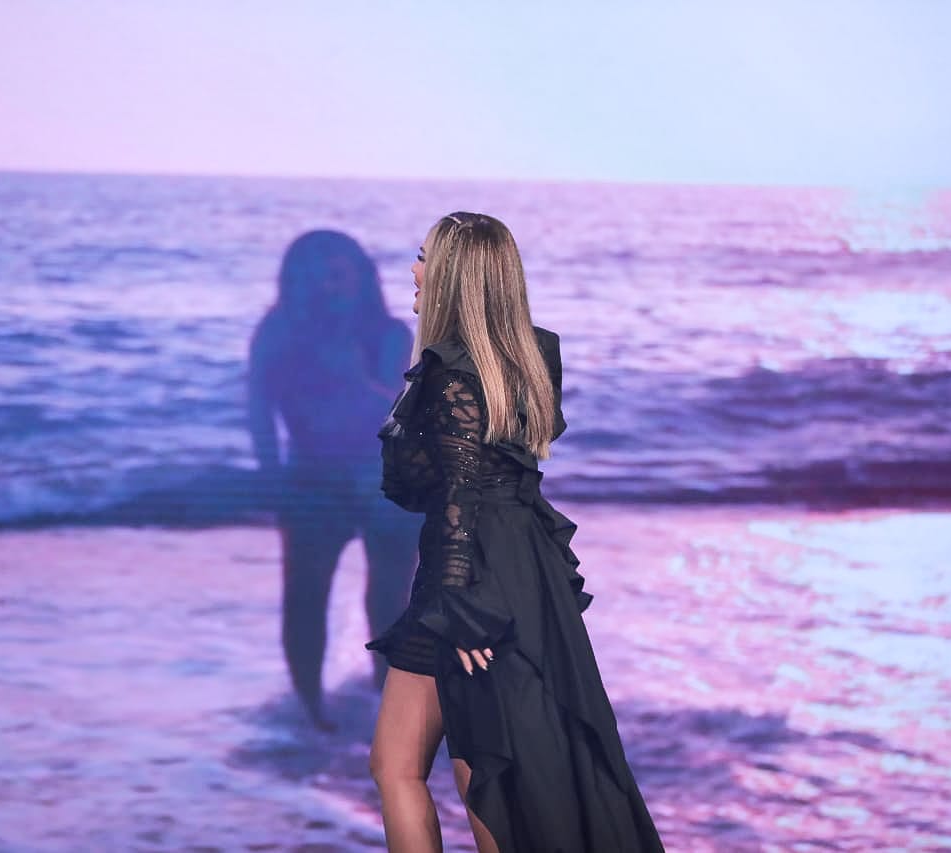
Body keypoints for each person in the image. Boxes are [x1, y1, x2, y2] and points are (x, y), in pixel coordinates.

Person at [366, 213, 665, 852]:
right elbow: (492, 481)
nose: (414, 271)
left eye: (425, 258)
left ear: (453, 275)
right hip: (518, 568)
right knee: (452, 764)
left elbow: (459, 496)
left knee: (463, 768)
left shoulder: (451, 373)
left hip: (468, 578)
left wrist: (459, 606)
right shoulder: (527, 358)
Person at [248, 230, 420, 730]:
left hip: (387, 478)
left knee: (389, 599)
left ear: (361, 276)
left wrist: (354, 378)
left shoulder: (390, 333)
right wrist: (270, 477)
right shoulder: (278, 332)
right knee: (305, 597)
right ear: (293, 281)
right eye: (311, 276)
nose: (326, 286)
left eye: (337, 274)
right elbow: (259, 409)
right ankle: (310, 712)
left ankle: (387, 702)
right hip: (310, 480)